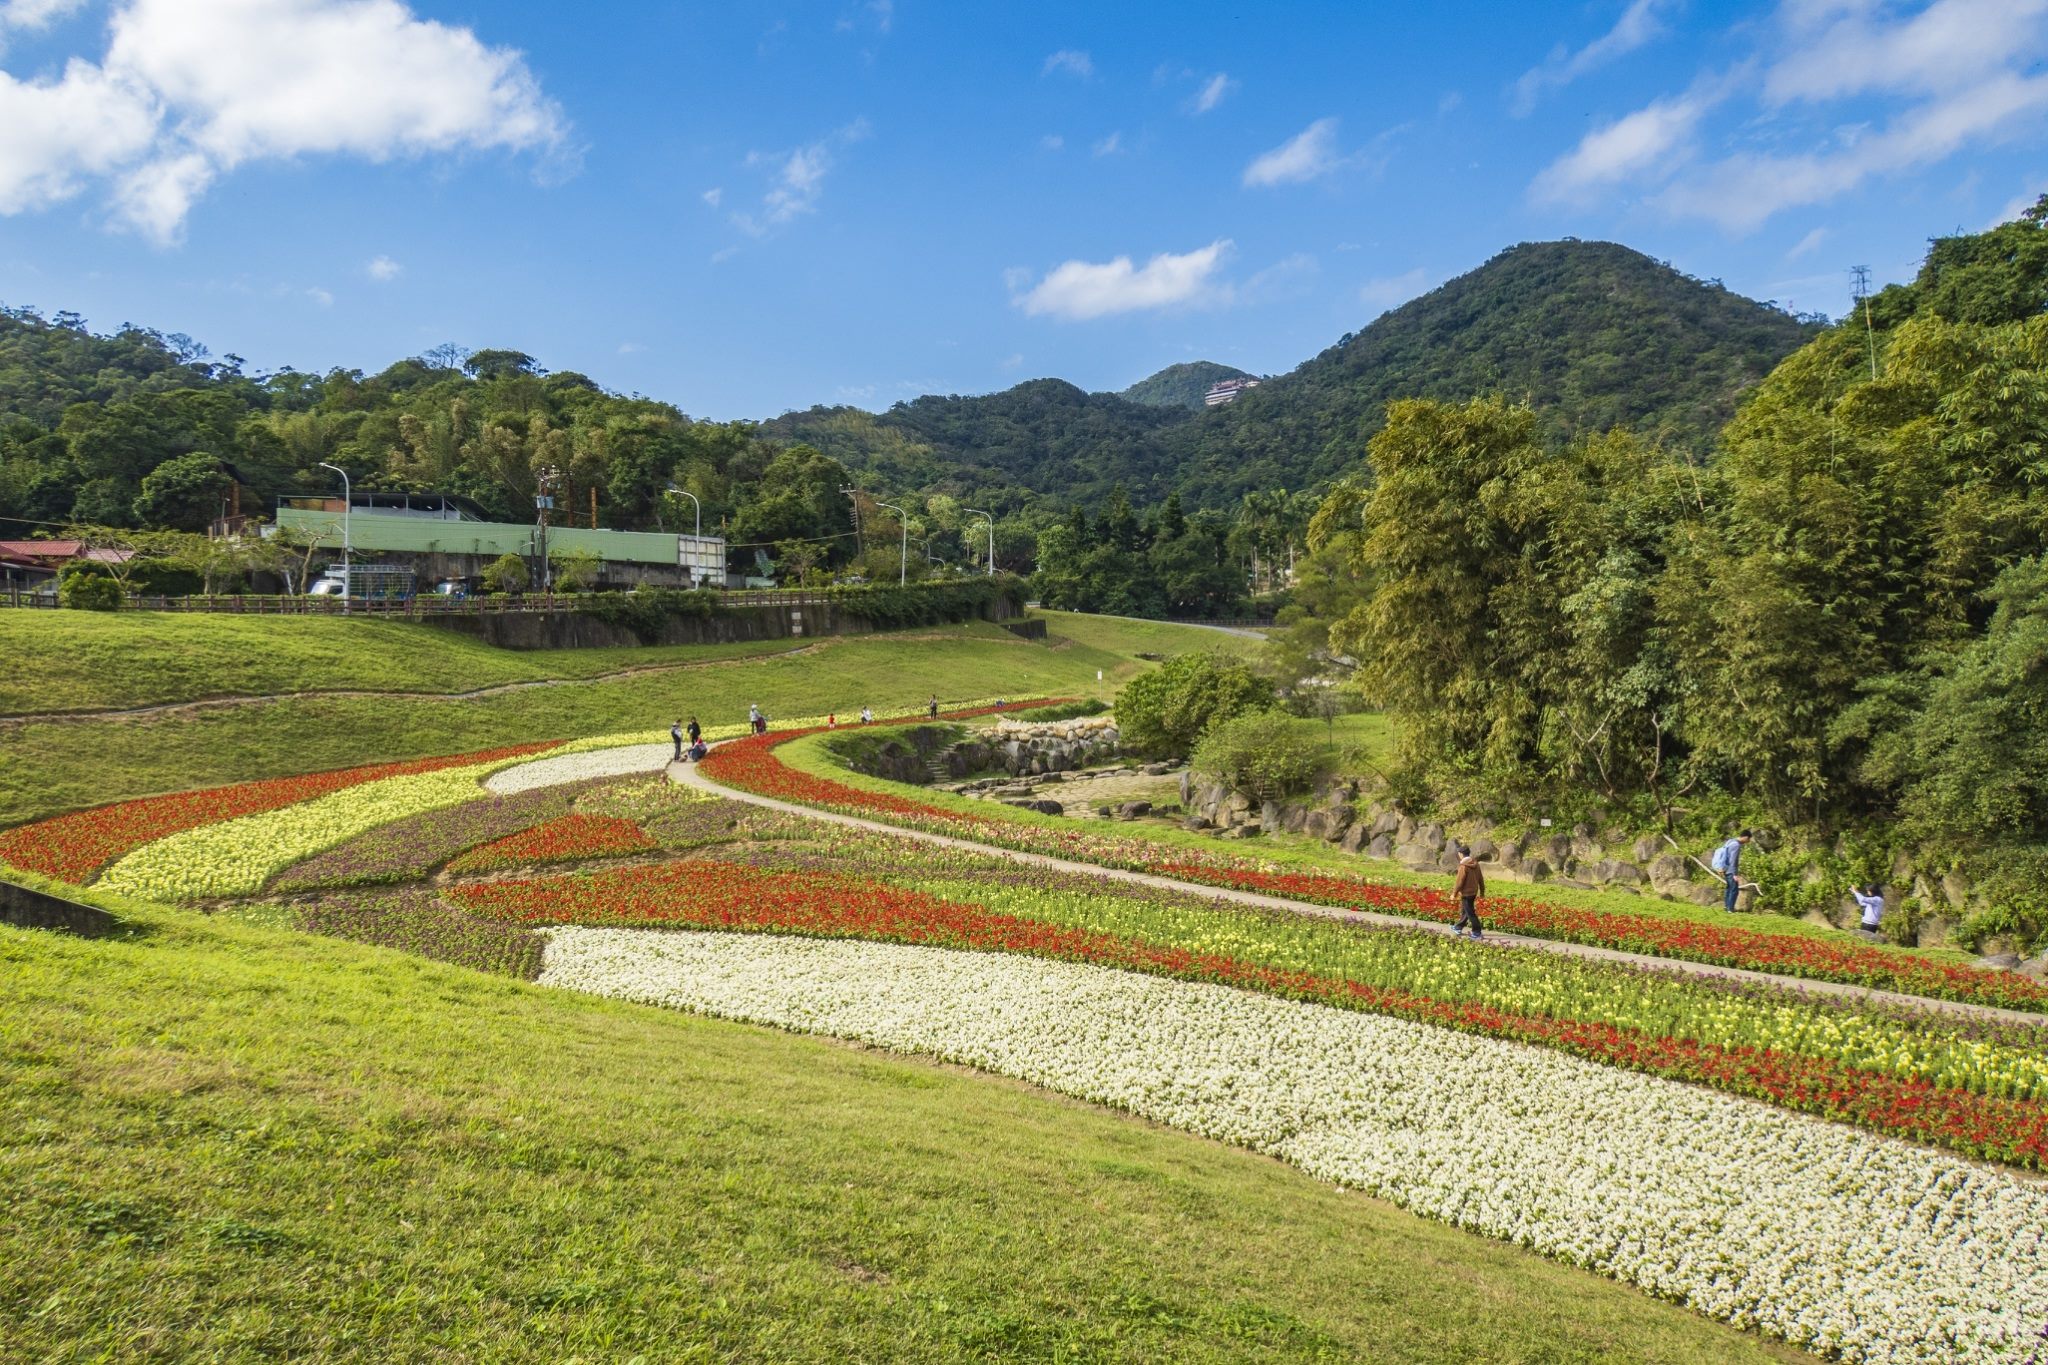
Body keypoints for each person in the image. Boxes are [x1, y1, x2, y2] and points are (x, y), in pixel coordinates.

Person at [1710, 830, 1753, 912]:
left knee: (1729, 888)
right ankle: (1730, 909)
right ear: (1746, 837)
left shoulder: (1730, 841)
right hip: (1730, 870)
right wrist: (1734, 874)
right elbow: (1733, 860)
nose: (1748, 841)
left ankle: (1727, 907)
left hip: (1725, 868)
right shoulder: (1736, 845)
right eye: (1748, 839)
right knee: (1734, 889)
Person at [1452, 852, 1485, 939]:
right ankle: (1458, 927)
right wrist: (1482, 892)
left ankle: (1477, 932)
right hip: (1473, 892)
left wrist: (1454, 893)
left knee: (1470, 913)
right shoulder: (1476, 864)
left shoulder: (1463, 866)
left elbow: (1459, 882)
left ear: (1461, 854)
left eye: (1458, 853)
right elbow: (1480, 879)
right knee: (1465, 911)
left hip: (1466, 894)